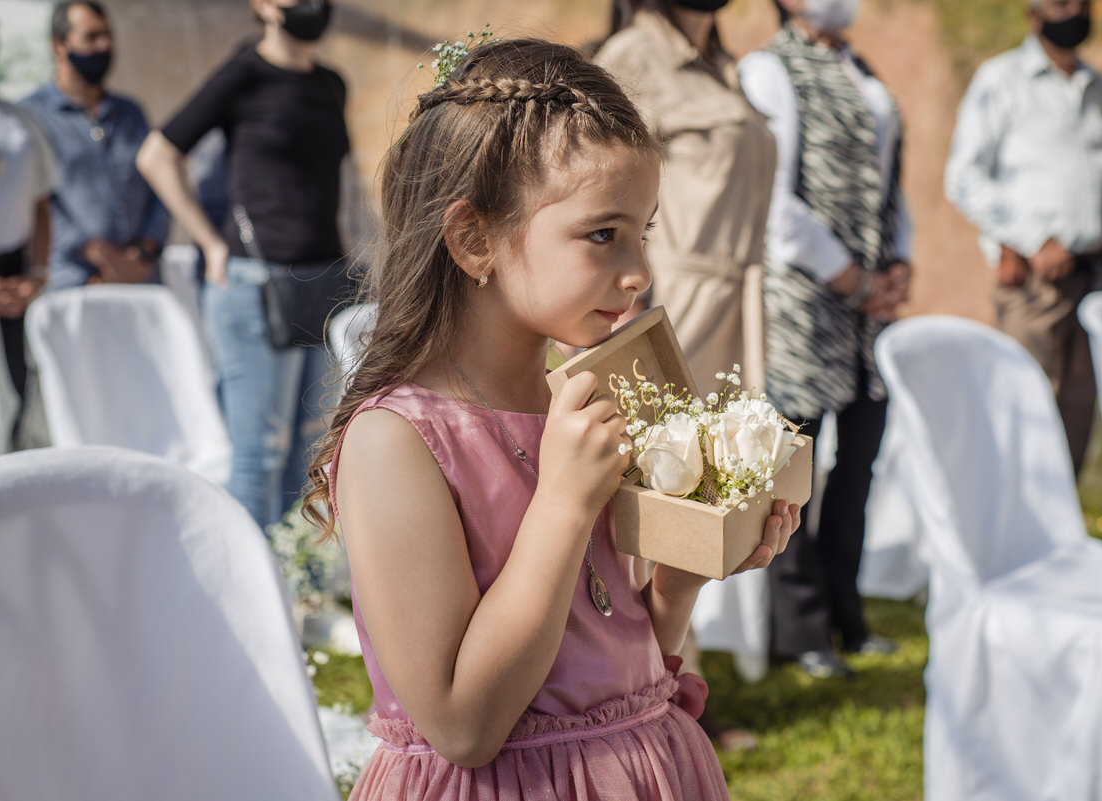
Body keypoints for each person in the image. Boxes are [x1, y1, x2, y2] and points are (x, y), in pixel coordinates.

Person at [299, 38, 801, 799]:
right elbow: (464, 726)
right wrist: (563, 503)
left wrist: (678, 583)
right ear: (474, 239)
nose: (638, 273)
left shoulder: (579, 400)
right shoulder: (396, 441)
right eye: (603, 234)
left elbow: (609, 665)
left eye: (644, 231)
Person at [738, 0, 910, 679]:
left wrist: (899, 263)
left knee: (858, 460)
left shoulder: (861, 68)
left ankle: (849, 613)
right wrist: (851, 278)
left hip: (869, 306)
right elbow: (776, 203)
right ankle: (801, 629)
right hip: (806, 300)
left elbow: (888, 180)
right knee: (792, 470)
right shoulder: (768, 71)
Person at [137, 0, 349, 529]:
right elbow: (156, 155)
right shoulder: (244, 73)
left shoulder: (331, 84)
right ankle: (251, 599)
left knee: (312, 456)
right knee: (259, 457)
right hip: (253, 286)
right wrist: (208, 242)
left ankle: (298, 590)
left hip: (324, 282)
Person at [945, 0, 1102, 477]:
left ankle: (1060, 539)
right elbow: (964, 179)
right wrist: (1031, 240)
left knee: (1076, 414)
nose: (1073, 11)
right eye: (1060, 3)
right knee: (1023, 414)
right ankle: (1007, 538)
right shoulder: (1001, 80)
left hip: (1091, 282)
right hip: (1035, 286)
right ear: (1033, 15)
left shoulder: (1097, 88)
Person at [593, 0, 776, 398]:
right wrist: (624, 301)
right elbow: (603, 190)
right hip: (673, 306)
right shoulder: (632, 55)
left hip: (741, 310)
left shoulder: (722, 64)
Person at [19, 1, 167, 292]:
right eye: (92, 37)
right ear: (59, 45)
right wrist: (99, 256)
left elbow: (160, 184)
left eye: (108, 36)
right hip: (75, 280)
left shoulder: (131, 113)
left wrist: (142, 253)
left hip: (141, 278)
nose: (105, 45)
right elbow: (37, 200)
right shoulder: (32, 116)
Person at [0, 0, 56, 446]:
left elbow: (40, 203)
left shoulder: (20, 122)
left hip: (16, 283)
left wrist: (37, 273)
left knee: (23, 406)